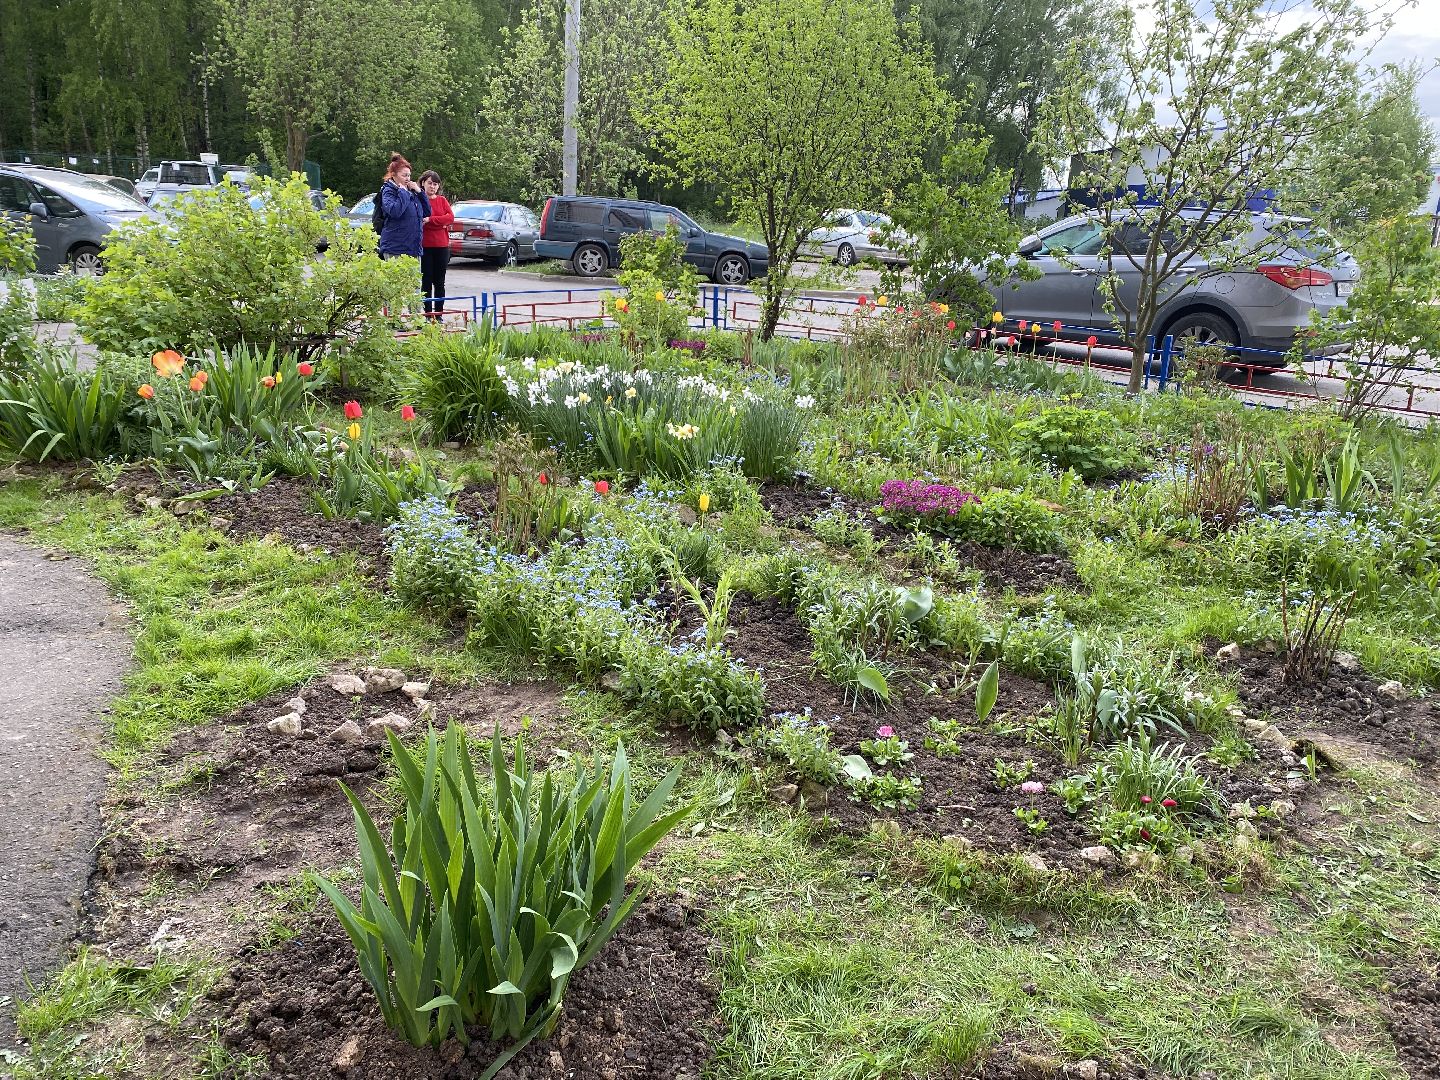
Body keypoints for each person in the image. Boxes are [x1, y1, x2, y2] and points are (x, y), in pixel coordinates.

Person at [377, 152, 429, 260]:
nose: (408, 178)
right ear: (394, 175)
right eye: (404, 175)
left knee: (416, 277)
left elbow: (427, 212)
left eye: (409, 175)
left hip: (414, 247)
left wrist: (420, 192)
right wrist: (403, 192)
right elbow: (395, 211)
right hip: (395, 248)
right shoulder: (388, 191)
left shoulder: (412, 191)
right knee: (397, 277)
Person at [418, 170, 454, 316]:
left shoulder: (442, 200)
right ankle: (427, 314)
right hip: (425, 246)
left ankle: (438, 314)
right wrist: (440, 222)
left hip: (442, 246)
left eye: (435, 184)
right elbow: (421, 219)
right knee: (426, 281)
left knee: (439, 282)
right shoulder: (419, 200)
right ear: (423, 183)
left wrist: (431, 220)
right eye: (430, 183)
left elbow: (450, 217)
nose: (432, 186)